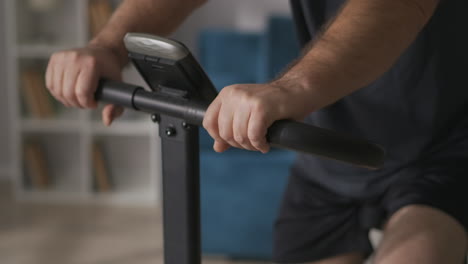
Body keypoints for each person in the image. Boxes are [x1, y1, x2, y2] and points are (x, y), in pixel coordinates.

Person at [46, 0, 468, 263]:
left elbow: (400, 5)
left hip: (441, 145)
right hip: (327, 151)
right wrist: (109, 46)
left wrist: (290, 88)